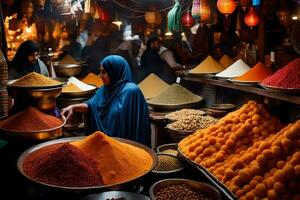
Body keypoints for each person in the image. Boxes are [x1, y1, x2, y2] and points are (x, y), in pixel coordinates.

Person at [61, 55, 151, 146]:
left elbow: (132, 126)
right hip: (106, 145)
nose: (100, 76)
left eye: (103, 72)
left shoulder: (131, 91)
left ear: (114, 72)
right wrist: (73, 107)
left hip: (125, 146)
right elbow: (92, 105)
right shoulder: (105, 89)